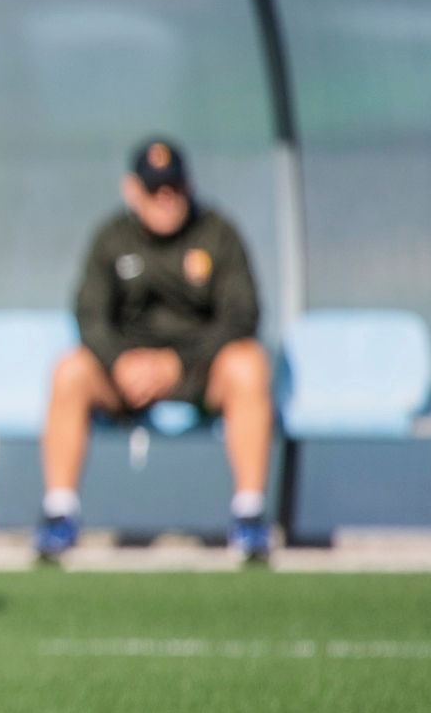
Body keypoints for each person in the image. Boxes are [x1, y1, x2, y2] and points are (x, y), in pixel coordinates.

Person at [35, 139, 274, 563]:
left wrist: (177, 363)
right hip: (126, 376)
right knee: (69, 371)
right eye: (154, 190)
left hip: (198, 372)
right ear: (132, 190)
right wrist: (121, 363)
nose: (165, 200)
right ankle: (59, 514)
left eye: (174, 188)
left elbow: (242, 314)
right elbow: (89, 314)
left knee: (248, 366)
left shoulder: (216, 233)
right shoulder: (112, 238)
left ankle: (250, 516)